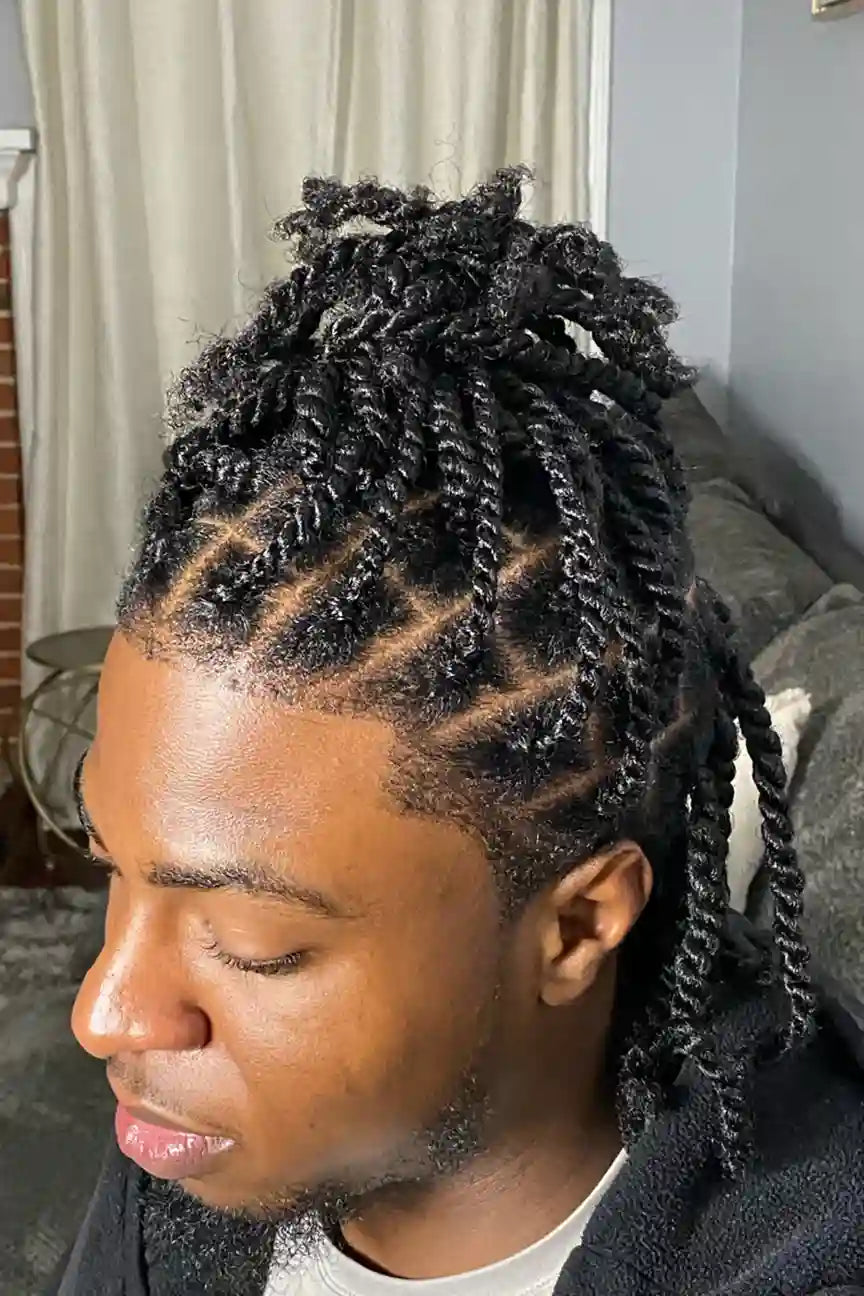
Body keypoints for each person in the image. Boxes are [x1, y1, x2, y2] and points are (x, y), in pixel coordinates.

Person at [53, 170, 863, 1296]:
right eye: (114, 867)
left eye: (251, 944)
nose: (105, 1014)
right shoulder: (205, 1123)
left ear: (575, 926)